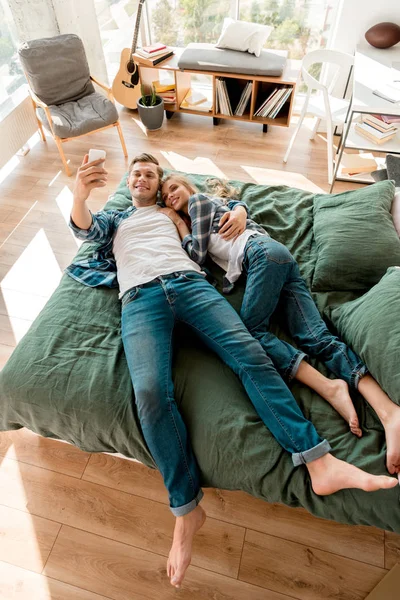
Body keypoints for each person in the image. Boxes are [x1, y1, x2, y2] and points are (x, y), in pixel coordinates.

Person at [68, 154, 397, 590]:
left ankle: (319, 462)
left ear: (161, 182)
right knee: (149, 393)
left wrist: (238, 210)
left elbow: (207, 231)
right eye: (137, 174)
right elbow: (84, 228)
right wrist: (78, 193)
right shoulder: (116, 218)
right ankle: (186, 511)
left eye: (151, 173)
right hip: (140, 300)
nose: (144, 178)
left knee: (250, 354)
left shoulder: (173, 214)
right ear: (129, 185)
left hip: (189, 284)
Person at [161, 174, 400, 478]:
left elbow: (194, 254)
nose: (170, 196)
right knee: (318, 338)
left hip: (261, 256)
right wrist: (236, 209)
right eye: (165, 195)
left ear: (189, 188)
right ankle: (388, 411)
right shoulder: (218, 207)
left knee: (250, 335)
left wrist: (179, 224)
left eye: (174, 188)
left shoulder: (196, 203)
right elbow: (233, 208)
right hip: (277, 256)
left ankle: (329, 387)